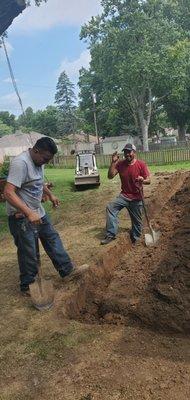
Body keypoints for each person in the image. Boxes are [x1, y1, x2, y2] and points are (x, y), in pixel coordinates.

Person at [4, 137, 75, 295]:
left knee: (52, 238)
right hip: (21, 215)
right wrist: (28, 212)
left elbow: (38, 182)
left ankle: (67, 270)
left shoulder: (38, 162)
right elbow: (8, 192)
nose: (46, 162)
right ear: (36, 150)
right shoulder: (20, 163)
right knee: (28, 250)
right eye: (45, 158)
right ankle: (28, 285)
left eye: (48, 160)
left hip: (37, 211)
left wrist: (50, 194)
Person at [101, 143, 150, 245]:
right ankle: (111, 234)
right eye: (125, 152)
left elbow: (148, 180)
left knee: (137, 223)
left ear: (134, 152)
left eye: (129, 152)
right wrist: (113, 162)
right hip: (124, 196)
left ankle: (136, 239)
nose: (127, 154)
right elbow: (110, 176)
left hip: (136, 197)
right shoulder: (120, 164)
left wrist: (142, 180)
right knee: (111, 207)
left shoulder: (141, 164)